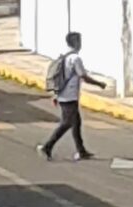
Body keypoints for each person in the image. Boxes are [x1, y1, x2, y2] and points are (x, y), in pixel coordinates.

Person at [37, 32, 106, 161]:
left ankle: (81, 151)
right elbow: (83, 76)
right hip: (69, 97)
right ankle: (47, 146)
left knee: (76, 123)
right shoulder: (75, 59)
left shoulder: (64, 57)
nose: (81, 44)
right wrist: (99, 84)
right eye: (79, 41)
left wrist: (56, 94)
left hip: (63, 95)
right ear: (76, 43)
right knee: (67, 123)